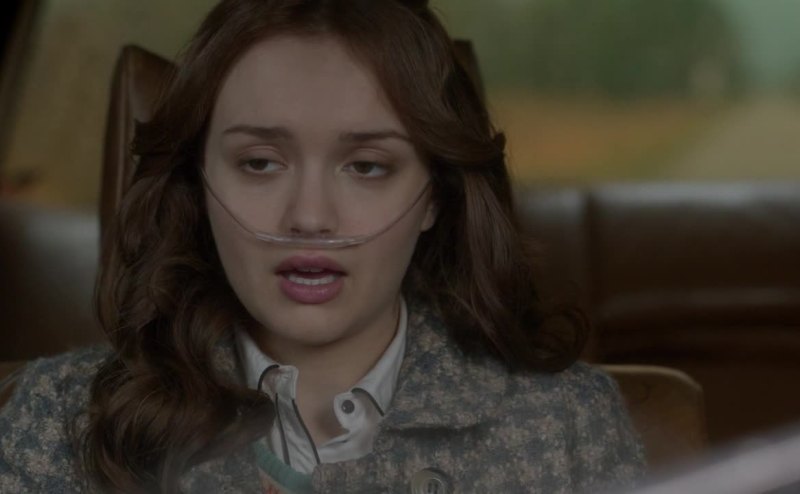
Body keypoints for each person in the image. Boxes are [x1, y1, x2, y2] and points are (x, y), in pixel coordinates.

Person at [0, 0, 645, 492]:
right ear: (197, 185)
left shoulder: (567, 425)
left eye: (367, 166)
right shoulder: (58, 419)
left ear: (436, 198)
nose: (309, 218)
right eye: (259, 163)